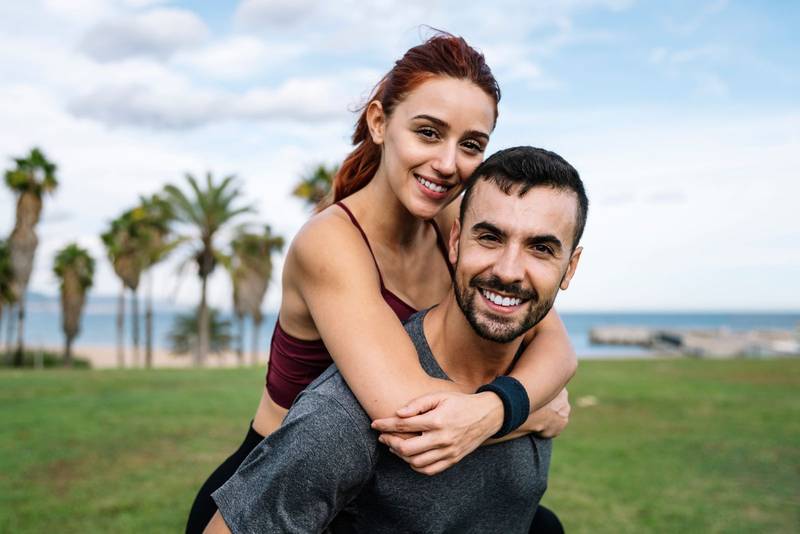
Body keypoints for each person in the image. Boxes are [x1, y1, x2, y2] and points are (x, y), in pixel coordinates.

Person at [187, 34, 576, 533]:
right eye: (428, 133)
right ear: (379, 123)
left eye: (471, 145)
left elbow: (554, 343)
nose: (448, 163)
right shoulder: (330, 243)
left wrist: (498, 405)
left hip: (371, 487)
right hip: (277, 487)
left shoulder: (453, 221)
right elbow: (412, 418)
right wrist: (526, 411)